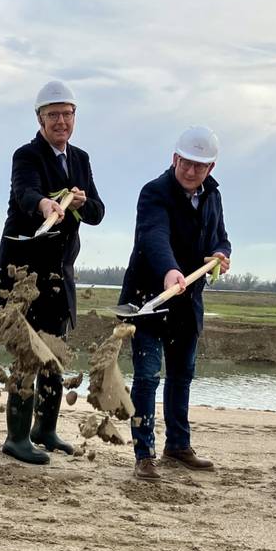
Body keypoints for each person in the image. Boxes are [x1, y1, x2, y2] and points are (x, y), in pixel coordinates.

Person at [0, 80, 104, 464]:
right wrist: (44, 205)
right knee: (27, 353)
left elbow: (98, 213)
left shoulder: (81, 159)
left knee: (55, 352)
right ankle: (16, 437)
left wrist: (82, 204)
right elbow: (25, 193)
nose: (60, 121)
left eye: (66, 114)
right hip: (23, 273)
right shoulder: (26, 155)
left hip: (60, 272)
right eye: (52, 115)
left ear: (75, 117)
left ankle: (46, 429)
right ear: (39, 118)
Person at [118, 126, 231, 481]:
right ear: (175, 158)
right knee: (148, 377)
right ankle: (144, 454)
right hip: (150, 300)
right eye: (186, 163)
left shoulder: (212, 196)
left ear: (210, 168)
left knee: (182, 377)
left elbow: (222, 239)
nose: (191, 171)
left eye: (200, 166)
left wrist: (220, 255)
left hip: (188, 303)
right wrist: (169, 271)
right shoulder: (154, 192)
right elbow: (154, 235)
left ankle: (178, 445)